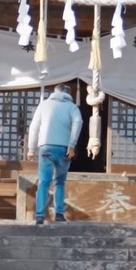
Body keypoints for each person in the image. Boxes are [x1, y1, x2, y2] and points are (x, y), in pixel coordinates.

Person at [24, 88, 84, 224]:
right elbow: (78, 122)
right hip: (64, 148)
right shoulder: (72, 107)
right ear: (69, 93)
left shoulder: (44, 104)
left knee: (44, 182)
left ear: (55, 92)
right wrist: (72, 145)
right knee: (60, 182)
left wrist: (31, 149)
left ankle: (40, 215)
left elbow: (34, 126)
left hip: (46, 147)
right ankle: (59, 214)